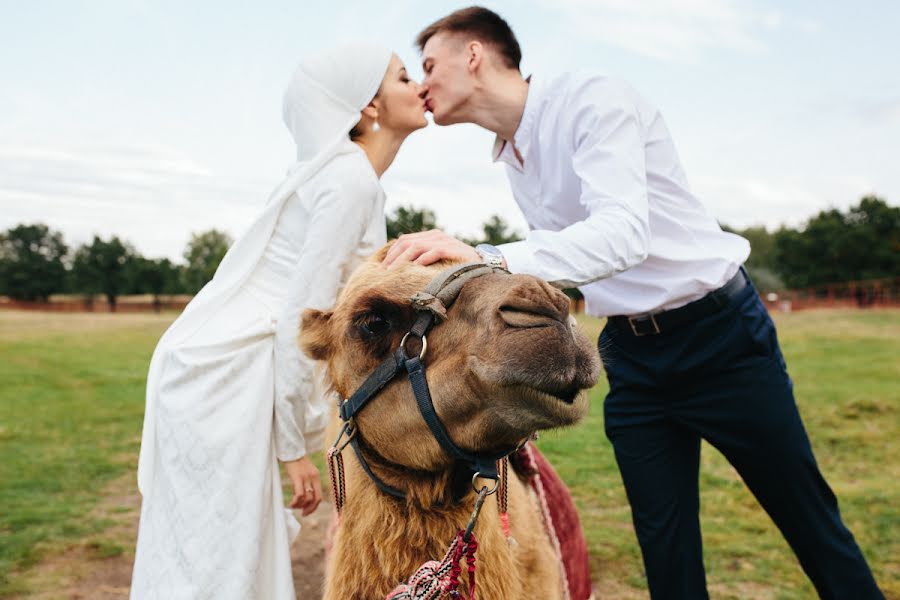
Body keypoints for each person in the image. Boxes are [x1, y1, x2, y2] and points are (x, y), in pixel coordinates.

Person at [384, 7, 884, 599]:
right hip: (634, 359)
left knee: (809, 522)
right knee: (665, 554)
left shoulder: (592, 100)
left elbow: (623, 236)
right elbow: (569, 262)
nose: (421, 84)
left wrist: (485, 256)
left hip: (720, 338)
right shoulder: (510, 154)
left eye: (429, 65)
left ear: (473, 55)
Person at [131, 41, 428, 599]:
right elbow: (303, 312)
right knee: (221, 554)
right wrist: (295, 447)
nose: (420, 88)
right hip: (228, 376)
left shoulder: (351, 178)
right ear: (369, 105)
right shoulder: (349, 182)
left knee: (214, 550)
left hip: (220, 364)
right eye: (405, 77)